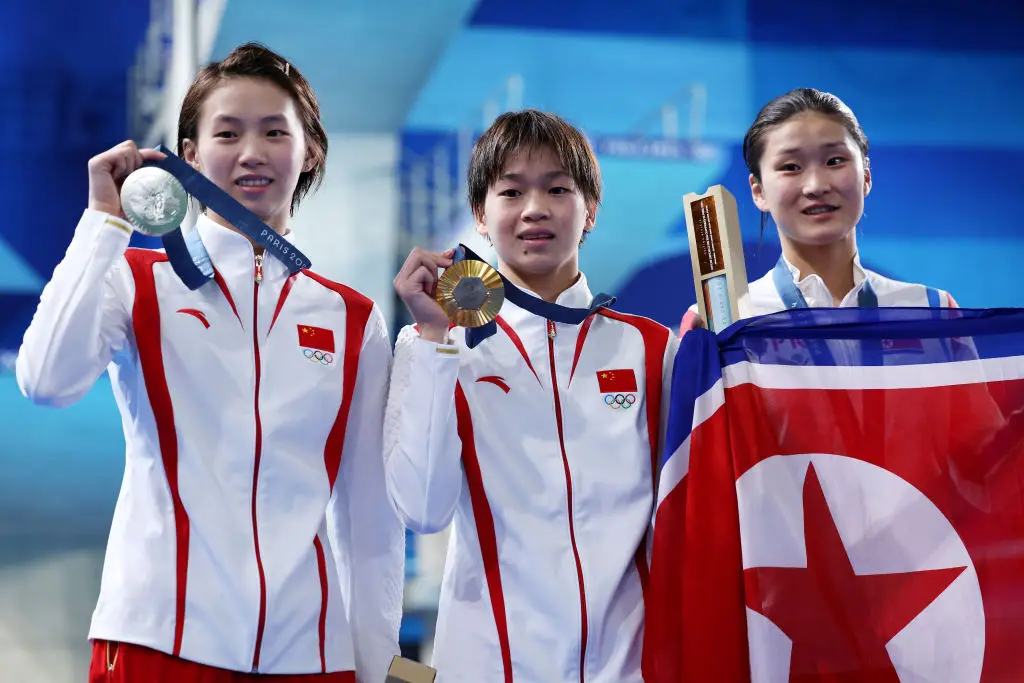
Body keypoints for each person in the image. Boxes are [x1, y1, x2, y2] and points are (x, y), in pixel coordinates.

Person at [16, 43, 403, 683]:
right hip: (157, 641)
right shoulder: (137, 281)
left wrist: (370, 664)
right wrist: (103, 226)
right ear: (189, 157)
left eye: (276, 132)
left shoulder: (353, 320)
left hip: (307, 656)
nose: (252, 152)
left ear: (309, 154)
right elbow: (46, 380)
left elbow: (368, 519)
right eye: (228, 132)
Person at [386, 109, 677, 683]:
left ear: (590, 209)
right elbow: (422, 510)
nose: (534, 209)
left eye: (557, 189)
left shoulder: (648, 348)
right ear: (481, 214)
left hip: (630, 667)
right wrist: (435, 340)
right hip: (492, 665)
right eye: (511, 190)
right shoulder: (441, 345)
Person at [680, 87, 958, 335]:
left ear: (867, 177)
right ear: (758, 191)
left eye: (834, 161)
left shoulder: (934, 312)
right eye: (791, 167)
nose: (815, 186)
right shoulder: (717, 325)